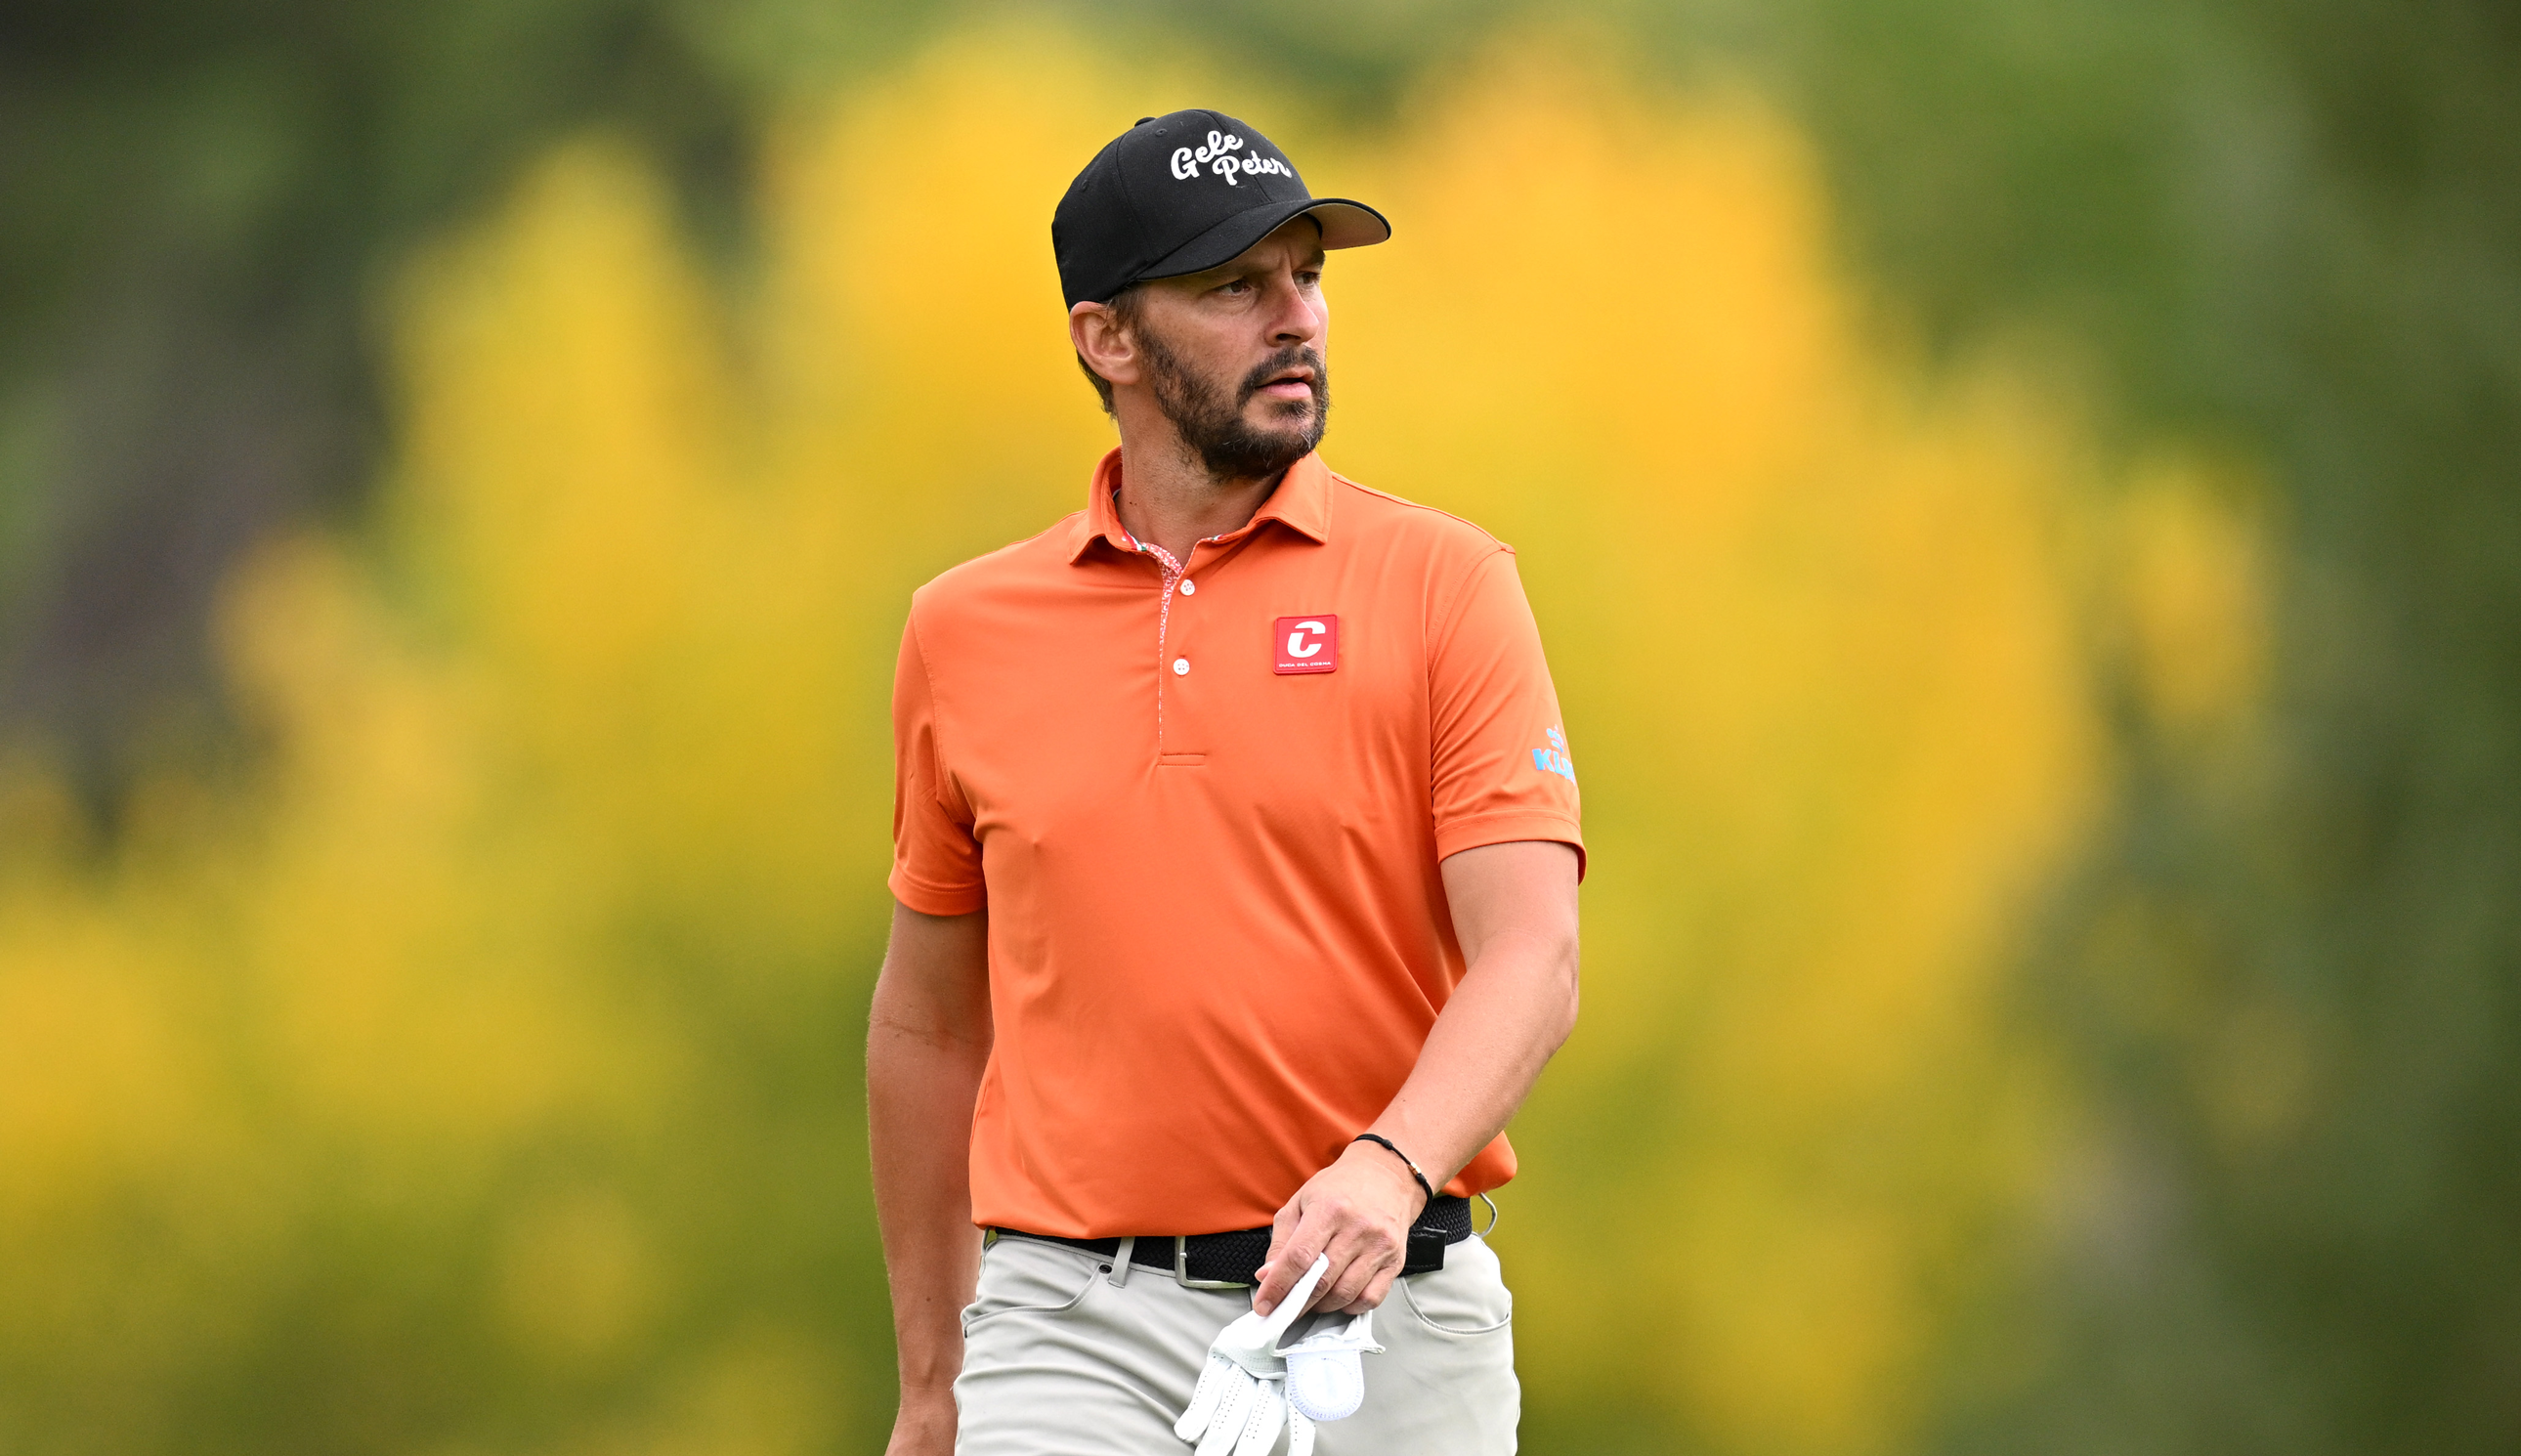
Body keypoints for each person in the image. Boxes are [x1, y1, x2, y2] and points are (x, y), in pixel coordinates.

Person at [868, 107, 1584, 1455]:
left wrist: (1389, 1163)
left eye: (1306, 277)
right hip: (1071, 1321)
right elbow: (926, 1027)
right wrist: (931, 1377)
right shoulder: (963, 632)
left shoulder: (1447, 587)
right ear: (1109, 338)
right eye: (1232, 287)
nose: (1294, 318)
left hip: (1393, 1321)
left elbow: (1533, 954)